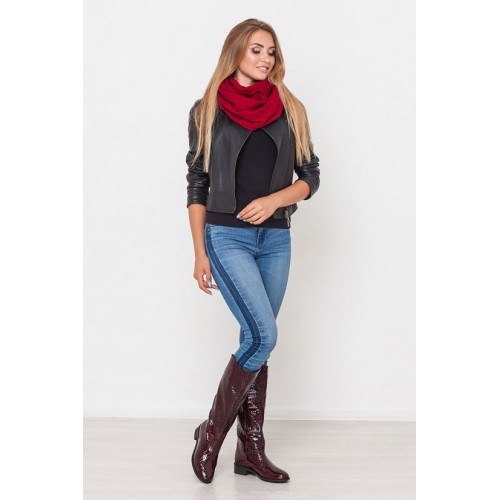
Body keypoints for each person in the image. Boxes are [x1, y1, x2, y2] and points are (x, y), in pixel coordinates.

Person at [186, 18, 320, 484]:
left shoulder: (290, 108)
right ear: (236, 53)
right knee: (263, 336)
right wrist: (200, 252)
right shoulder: (206, 110)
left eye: (271, 51)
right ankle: (212, 436)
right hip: (226, 237)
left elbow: (310, 177)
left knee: (257, 339)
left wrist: (274, 200)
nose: (266, 59)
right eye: (256, 50)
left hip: (276, 239)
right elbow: (197, 184)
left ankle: (249, 452)